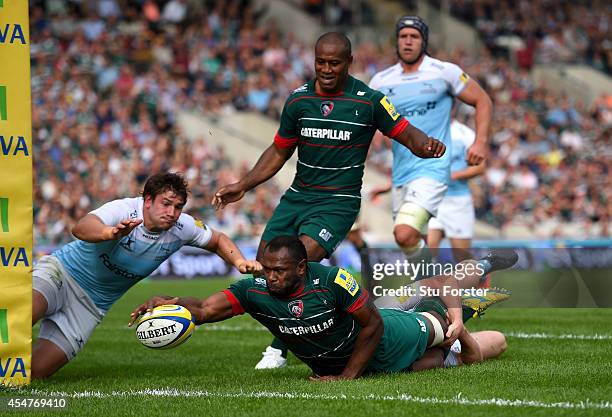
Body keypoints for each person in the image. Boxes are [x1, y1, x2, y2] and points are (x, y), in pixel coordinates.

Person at [212, 32, 446, 369]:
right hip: (297, 196)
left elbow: (405, 131)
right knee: (268, 269)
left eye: (333, 63)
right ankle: (314, 331)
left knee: (298, 262)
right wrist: (244, 184)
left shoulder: (369, 101)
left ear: (349, 63)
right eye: (320, 61)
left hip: (338, 202)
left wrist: (426, 146)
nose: (325, 68)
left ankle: (279, 349)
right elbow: (280, 148)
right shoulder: (298, 101)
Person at [129, 236, 514, 379]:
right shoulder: (254, 289)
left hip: (393, 333)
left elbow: (374, 326)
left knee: (436, 297)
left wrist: (345, 379)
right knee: (441, 357)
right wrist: (172, 303)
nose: (271, 277)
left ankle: (480, 269)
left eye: (279, 271)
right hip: (374, 342)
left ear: (301, 267)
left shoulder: (332, 280)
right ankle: (463, 325)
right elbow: (206, 309)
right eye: (266, 269)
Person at [32, 172, 261, 379]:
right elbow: (81, 227)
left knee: (35, 372)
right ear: (148, 201)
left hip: (92, 305)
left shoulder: (183, 226)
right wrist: (108, 233)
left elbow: (218, 239)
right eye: (166, 204)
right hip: (61, 273)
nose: (172, 212)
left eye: (178, 206)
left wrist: (239, 261)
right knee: (23, 316)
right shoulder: (125, 209)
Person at [368, 16, 493, 280]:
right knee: (419, 244)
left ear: (423, 41)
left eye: (414, 36)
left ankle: (448, 283)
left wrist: (480, 141)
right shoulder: (380, 81)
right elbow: (371, 123)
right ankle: (437, 298)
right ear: (397, 41)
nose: (408, 41)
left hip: (434, 169)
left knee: (404, 234)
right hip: (402, 173)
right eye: (403, 36)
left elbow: (482, 100)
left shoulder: (443, 72)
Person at [428, 119, 486, 262]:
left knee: (461, 257)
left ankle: (482, 273)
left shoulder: (466, 134)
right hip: (434, 199)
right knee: (428, 250)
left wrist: (454, 175)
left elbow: (480, 167)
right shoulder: (427, 129)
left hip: (458, 203)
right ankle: (427, 284)